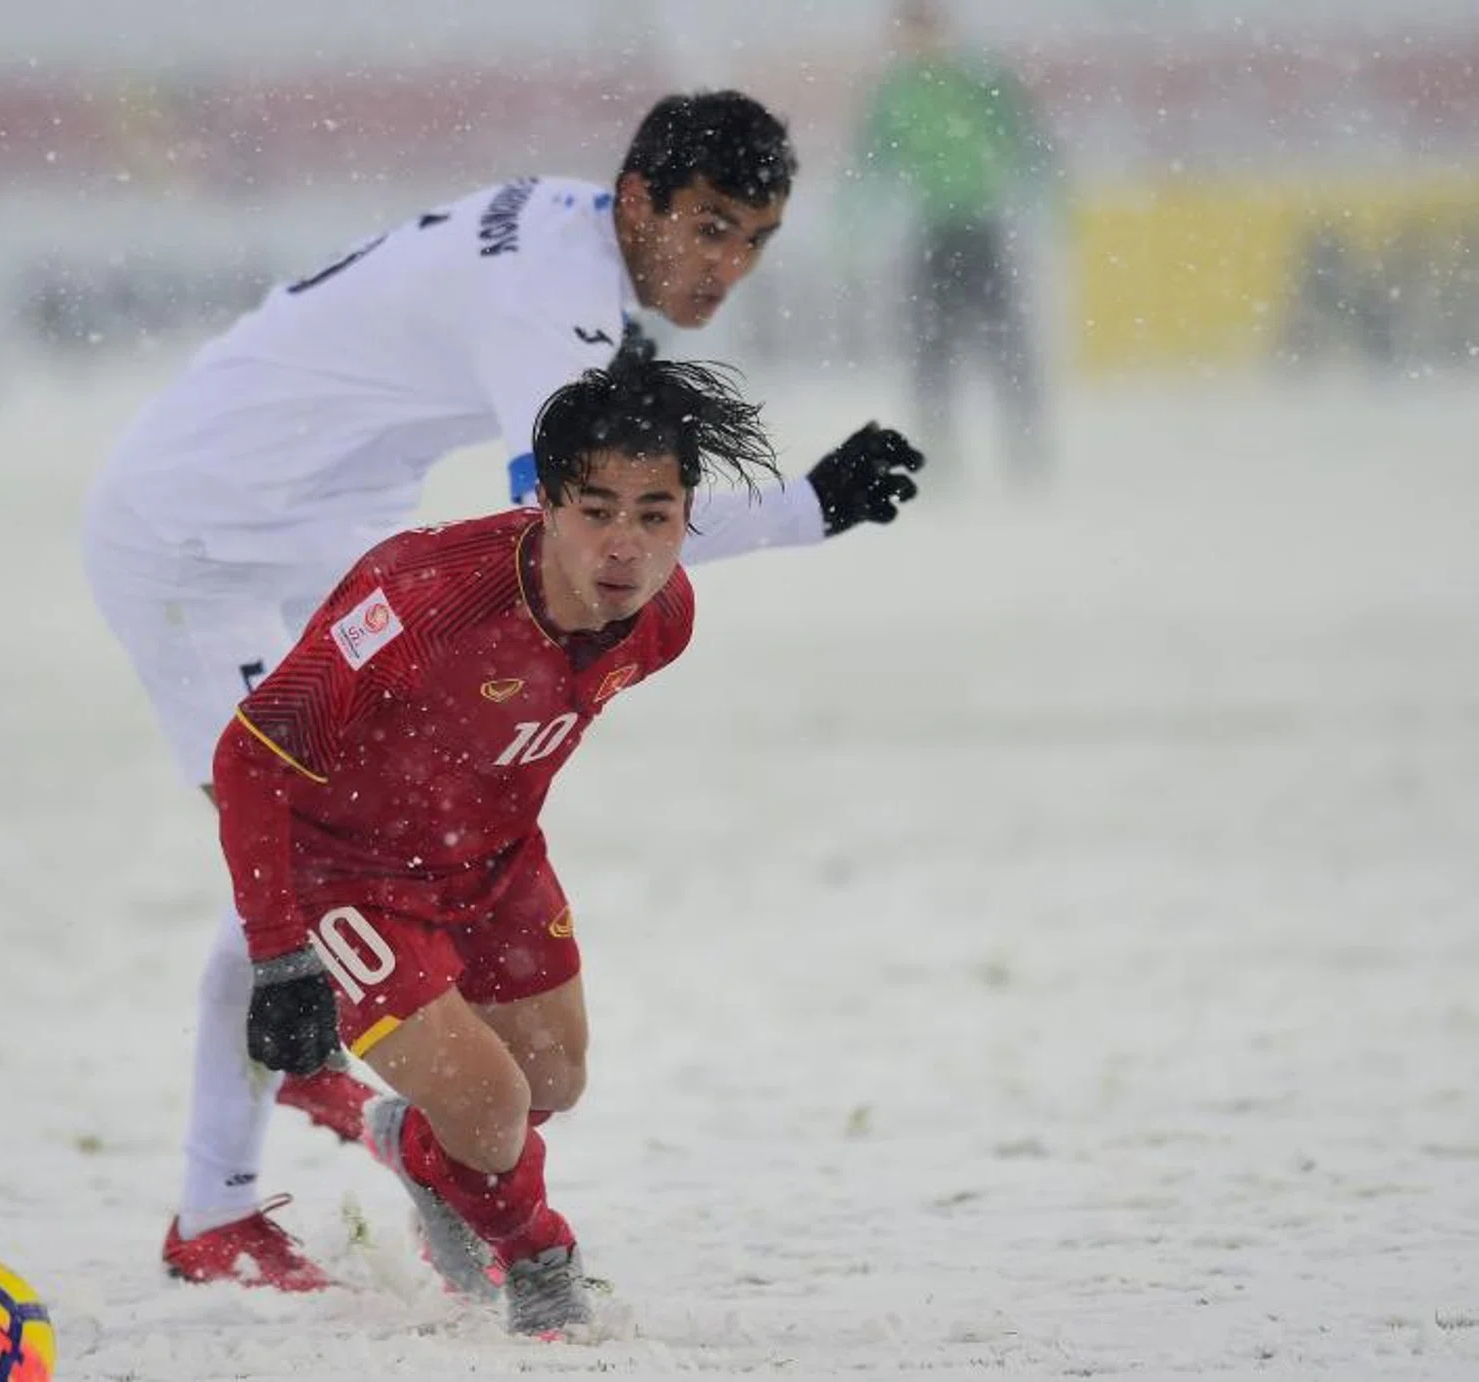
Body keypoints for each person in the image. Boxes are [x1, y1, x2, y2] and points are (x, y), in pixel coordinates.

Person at [81, 88, 925, 1292]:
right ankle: (216, 1205)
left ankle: (346, 1051)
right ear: (639, 203)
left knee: (327, 844)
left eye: (755, 239)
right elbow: (592, 530)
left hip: (315, 519)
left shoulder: (573, 234)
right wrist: (805, 509)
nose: (729, 265)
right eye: (711, 227)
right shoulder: (556, 301)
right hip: (197, 541)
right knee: (283, 827)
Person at [218, 357, 839, 1334]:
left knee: (554, 1081)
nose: (624, 546)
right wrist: (279, 949)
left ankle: (421, 1149)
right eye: (596, 509)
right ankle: (540, 1260)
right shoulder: (417, 599)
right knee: (492, 1097)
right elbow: (248, 756)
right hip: (347, 872)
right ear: (544, 501)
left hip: (495, 858)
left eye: (655, 513)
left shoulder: (664, 621)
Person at [848, 0, 1057, 485]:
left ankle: (1026, 454)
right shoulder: (896, 92)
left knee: (1007, 347)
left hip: (981, 228)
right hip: (932, 234)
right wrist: (854, 224)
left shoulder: (980, 79)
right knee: (931, 351)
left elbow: (1026, 140)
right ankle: (941, 457)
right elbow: (871, 160)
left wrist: (1044, 200)